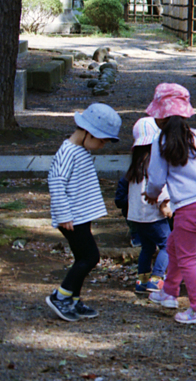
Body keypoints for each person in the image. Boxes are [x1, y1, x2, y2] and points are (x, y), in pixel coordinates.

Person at [143, 84, 196, 326]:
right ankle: (169, 292)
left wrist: (153, 194)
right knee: (174, 245)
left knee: (187, 259)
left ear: (160, 117)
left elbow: (155, 177)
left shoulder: (161, 141)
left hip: (188, 208)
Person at [46, 102, 122, 322]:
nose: (102, 145)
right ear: (88, 132)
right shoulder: (67, 151)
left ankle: (74, 300)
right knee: (90, 257)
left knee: (82, 257)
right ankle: (61, 296)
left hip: (80, 215)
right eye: (101, 140)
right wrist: (64, 215)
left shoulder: (80, 150)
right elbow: (56, 181)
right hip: (71, 218)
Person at [126, 117, 171, 294]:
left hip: (137, 216)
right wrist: (165, 204)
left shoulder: (135, 167)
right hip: (153, 215)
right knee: (168, 244)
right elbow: (157, 185)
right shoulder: (153, 164)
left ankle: (142, 280)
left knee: (147, 247)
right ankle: (157, 278)